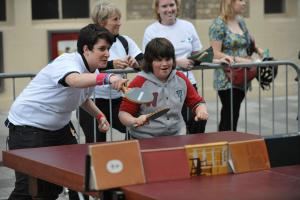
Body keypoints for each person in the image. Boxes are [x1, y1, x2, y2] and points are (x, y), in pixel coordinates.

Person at [4, 24, 127, 200]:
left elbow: (82, 97)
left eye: (108, 48)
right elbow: (75, 81)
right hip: (28, 128)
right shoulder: (67, 62)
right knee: (30, 190)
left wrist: (100, 116)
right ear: (86, 49)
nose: (107, 53)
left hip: (60, 128)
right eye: (102, 48)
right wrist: (108, 78)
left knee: (69, 179)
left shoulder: (93, 70)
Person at [79, 1, 144, 142]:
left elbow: (145, 62)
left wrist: (137, 64)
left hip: (118, 100)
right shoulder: (89, 41)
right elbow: (86, 65)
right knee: (97, 144)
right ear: (102, 22)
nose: (120, 23)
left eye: (119, 19)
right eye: (115, 19)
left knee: (137, 127)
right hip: (92, 101)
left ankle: (127, 159)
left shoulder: (125, 41)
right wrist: (111, 64)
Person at [118, 38, 209, 139]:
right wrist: (134, 121)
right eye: (159, 60)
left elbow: (198, 102)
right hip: (144, 139)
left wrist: (201, 111)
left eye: (168, 59)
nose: (164, 64)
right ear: (149, 61)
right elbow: (123, 114)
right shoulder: (139, 82)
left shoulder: (181, 79)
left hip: (175, 137)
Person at [142, 0, 207, 134]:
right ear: (157, 9)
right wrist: (177, 63)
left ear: (177, 6)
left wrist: (210, 57)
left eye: (172, 5)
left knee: (197, 119)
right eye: (164, 6)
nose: (169, 9)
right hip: (162, 86)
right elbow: (148, 60)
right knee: (166, 125)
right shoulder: (151, 31)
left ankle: (192, 149)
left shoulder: (188, 26)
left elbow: (197, 52)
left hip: (187, 82)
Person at [209, 0, 264, 131]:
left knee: (234, 114)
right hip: (227, 78)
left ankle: (230, 143)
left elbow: (248, 41)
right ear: (229, 2)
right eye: (240, 0)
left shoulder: (240, 21)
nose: (244, 3)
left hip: (243, 76)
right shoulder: (218, 24)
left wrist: (257, 49)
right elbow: (215, 53)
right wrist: (237, 59)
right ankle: (224, 145)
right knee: (229, 116)